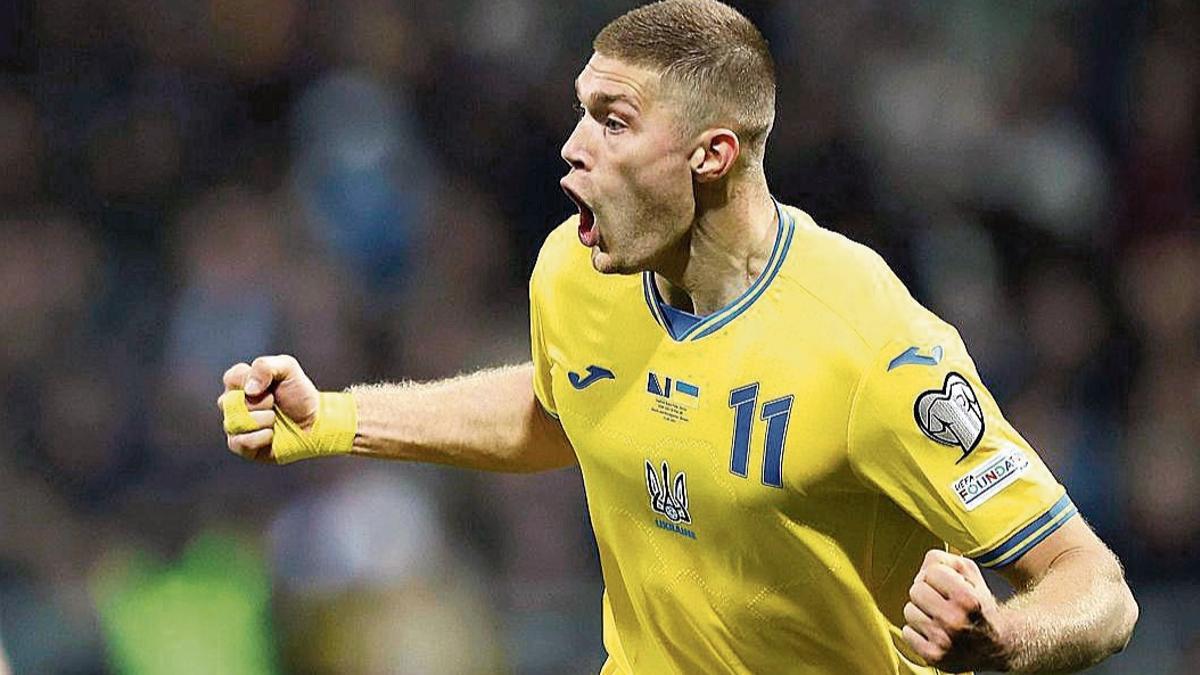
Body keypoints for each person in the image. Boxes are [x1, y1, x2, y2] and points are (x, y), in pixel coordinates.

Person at [219, 1, 1138, 672]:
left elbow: (1096, 585)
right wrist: (333, 418)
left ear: (712, 155)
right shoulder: (574, 271)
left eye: (613, 121)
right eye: (582, 110)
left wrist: (1003, 638)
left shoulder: (873, 347)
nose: (573, 146)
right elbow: (560, 406)